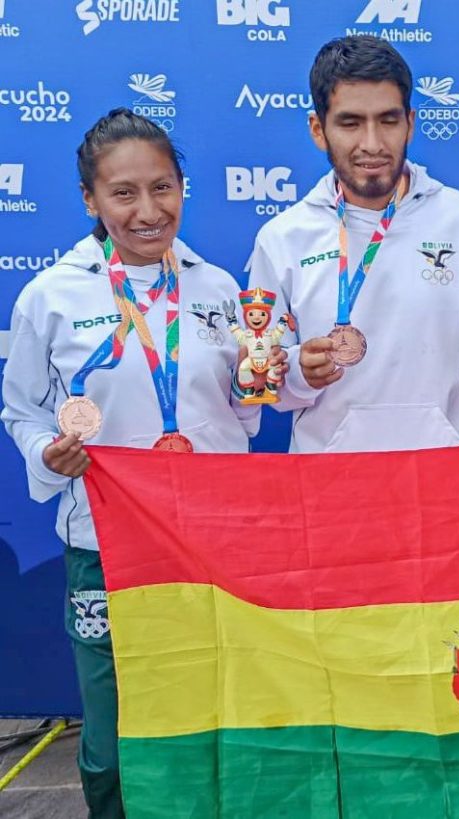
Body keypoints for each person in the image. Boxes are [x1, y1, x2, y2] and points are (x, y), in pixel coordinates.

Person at [1, 109, 271, 818]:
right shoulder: (51, 296)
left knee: (217, 709)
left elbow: (238, 415)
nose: (148, 211)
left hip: (210, 542)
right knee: (114, 734)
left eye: (163, 188)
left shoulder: (217, 288)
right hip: (105, 546)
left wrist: (254, 386)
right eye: (123, 193)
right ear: (90, 199)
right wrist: (49, 454)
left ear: (182, 187)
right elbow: (22, 409)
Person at [248, 35, 459, 453]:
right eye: (350, 123)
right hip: (334, 475)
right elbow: (264, 384)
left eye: (388, 120)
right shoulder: (282, 238)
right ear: (318, 130)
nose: (372, 144)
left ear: (410, 123)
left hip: (446, 467)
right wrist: (298, 372)